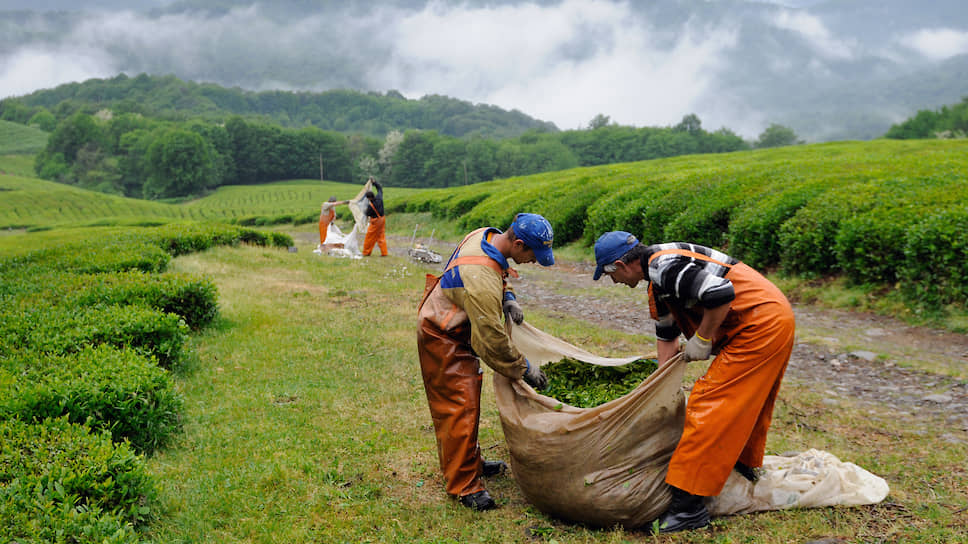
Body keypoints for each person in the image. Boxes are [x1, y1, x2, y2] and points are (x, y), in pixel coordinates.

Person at [592, 231, 795, 533]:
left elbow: (720, 294)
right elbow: (667, 336)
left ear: (621, 264)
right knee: (745, 399)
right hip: (767, 318)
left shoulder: (664, 267)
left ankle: (688, 509)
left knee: (708, 401)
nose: (613, 281)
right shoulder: (657, 282)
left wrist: (702, 338)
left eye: (610, 274)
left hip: (761, 322)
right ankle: (737, 467)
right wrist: (662, 387)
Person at [416, 213, 555, 511]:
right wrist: (523, 368)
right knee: (459, 407)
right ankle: (465, 486)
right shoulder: (479, 280)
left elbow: (497, 272)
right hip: (443, 333)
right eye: (532, 255)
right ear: (518, 244)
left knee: (469, 405)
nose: (533, 261)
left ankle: (471, 461)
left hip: (458, 319)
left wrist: (508, 297)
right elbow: (491, 342)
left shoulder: (487, 236)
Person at [362, 177, 388, 256]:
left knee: (369, 237)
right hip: (382, 219)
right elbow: (379, 188)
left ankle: (366, 252)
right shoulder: (379, 197)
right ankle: (384, 253)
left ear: (369, 198)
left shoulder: (370, 207)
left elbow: (367, 214)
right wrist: (374, 182)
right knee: (381, 236)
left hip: (375, 221)